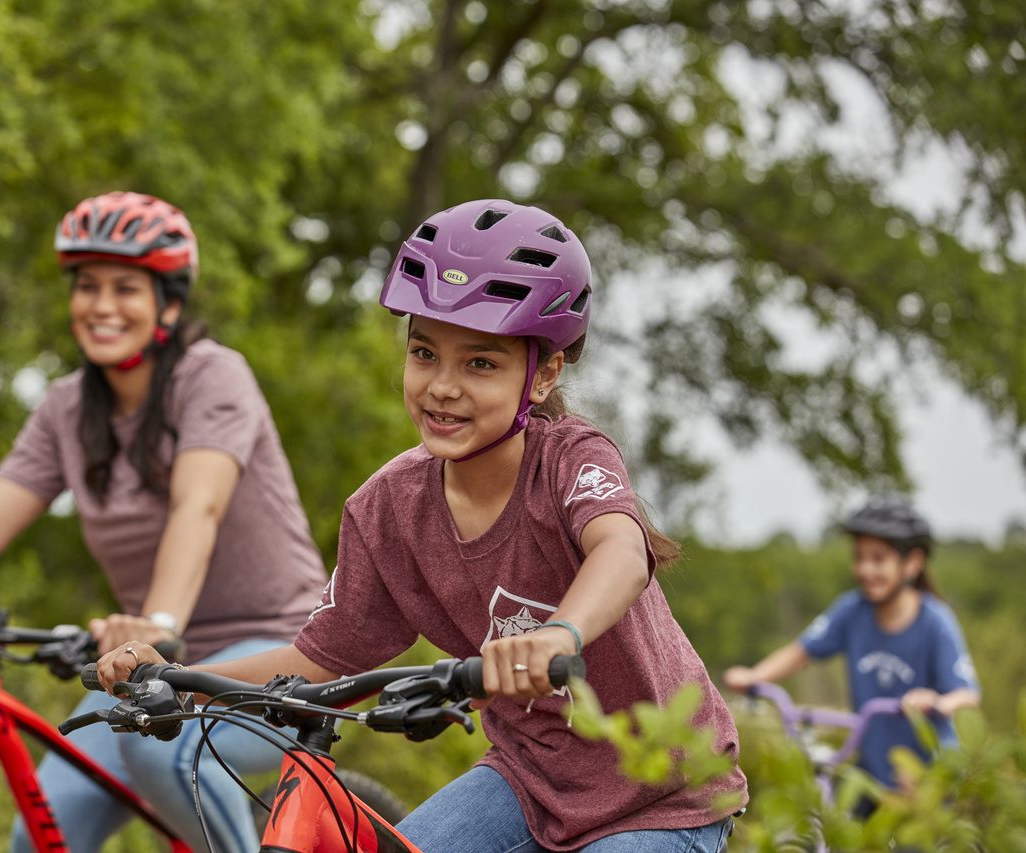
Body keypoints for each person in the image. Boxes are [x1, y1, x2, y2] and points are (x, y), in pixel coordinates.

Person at [100, 199, 748, 852]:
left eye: (481, 363)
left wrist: (559, 633)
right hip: (528, 780)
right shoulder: (387, 509)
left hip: (662, 791)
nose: (441, 386)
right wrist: (176, 675)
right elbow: (318, 659)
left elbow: (621, 549)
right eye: (424, 352)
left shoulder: (570, 459)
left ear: (545, 372)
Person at [0, 191, 329, 853]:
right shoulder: (66, 408)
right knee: (45, 830)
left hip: (285, 646)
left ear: (168, 301)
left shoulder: (213, 375)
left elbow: (201, 505)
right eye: (87, 285)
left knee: (168, 755)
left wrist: (157, 626)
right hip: (155, 660)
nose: (102, 305)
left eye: (126, 287)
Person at [723, 495, 981, 793]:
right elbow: (801, 650)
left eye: (878, 559)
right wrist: (755, 677)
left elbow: (967, 695)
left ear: (913, 563)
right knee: (833, 824)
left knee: (913, 840)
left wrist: (936, 702)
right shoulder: (852, 610)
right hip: (870, 769)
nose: (865, 569)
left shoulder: (935, 622)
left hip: (925, 774)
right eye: (859, 557)